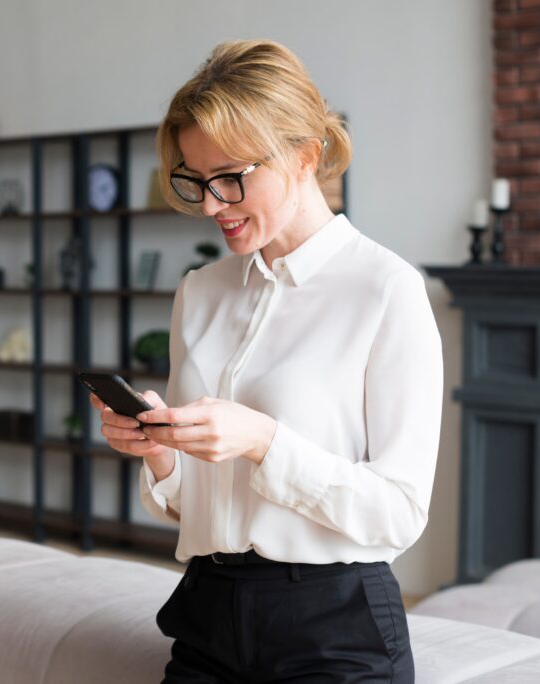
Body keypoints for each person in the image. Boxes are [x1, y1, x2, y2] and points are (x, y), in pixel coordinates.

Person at [90, 40, 442, 683]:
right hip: (206, 613)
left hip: (335, 627)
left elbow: (399, 510)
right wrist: (160, 450)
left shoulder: (386, 289)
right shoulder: (201, 291)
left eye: (230, 178)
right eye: (195, 181)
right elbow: (189, 506)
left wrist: (263, 441)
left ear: (305, 155)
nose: (210, 204)